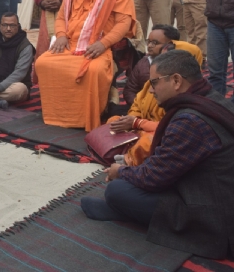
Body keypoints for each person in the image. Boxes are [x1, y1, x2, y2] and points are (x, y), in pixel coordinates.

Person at [81, 50, 234, 260]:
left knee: (117, 190)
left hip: (213, 212)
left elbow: (153, 178)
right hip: (211, 187)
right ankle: (128, 208)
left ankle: (126, 211)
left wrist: (121, 171)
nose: (151, 90)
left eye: (154, 82)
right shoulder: (212, 98)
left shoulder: (190, 120)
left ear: (177, 81)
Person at [36, 0, 136, 132]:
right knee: (43, 63)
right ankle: (58, 114)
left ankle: (87, 117)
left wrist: (103, 43)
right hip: (69, 45)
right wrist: (61, 35)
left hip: (97, 47)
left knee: (95, 70)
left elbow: (123, 23)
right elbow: (61, 18)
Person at [109, 41, 202, 166]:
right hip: (141, 126)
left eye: (167, 61)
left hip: (157, 132)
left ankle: (128, 161)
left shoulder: (190, 99)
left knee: (148, 141)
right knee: (113, 121)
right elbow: (136, 102)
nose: (152, 90)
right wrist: (131, 120)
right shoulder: (154, 81)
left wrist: (138, 123)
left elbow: (168, 128)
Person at [0, 12, 34, 109]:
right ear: (0, 26)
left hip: (13, 85)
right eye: (5, 25)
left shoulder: (25, 46)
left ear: (18, 26)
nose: (8, 29)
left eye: (12, 25)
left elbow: (19, 74)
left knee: (20, 90)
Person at [123, 24, 179, 106]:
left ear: (170, 45)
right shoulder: (142, 64)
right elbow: (130, 90)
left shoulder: (180, 63)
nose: (149, 46)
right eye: (148, 42)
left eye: (155, 43)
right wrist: (141, 106)